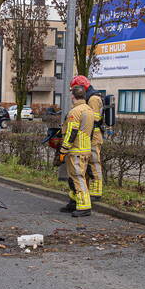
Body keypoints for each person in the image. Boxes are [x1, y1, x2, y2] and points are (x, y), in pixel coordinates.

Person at [59, 85, 95, 218]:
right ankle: (74, 202)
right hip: (85, 149)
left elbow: (71, 132)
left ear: (73, 97)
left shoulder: (75, 112)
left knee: (77, 178)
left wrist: (63, 149)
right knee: (75, 178)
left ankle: (84, 207)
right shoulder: (89, 110)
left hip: (76, 150)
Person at [71, 75, 104, 201]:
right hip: (89, 134)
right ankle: (89, 189)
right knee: (87, 164)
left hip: (94, 135)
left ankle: (96, 192)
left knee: (94, 162)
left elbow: (94, 118)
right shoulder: (89, 97)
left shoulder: (93, 98)